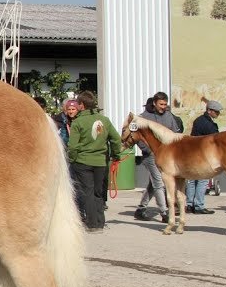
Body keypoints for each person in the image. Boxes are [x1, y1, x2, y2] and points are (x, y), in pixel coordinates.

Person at [67, 90, 122, 233]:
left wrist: (72, 159)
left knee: (87, 192)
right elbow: (116, 139)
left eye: (78, 104)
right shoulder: (104, 120)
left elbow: (72, 146)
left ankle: (92, 224)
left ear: (82, 105)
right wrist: (116, 155)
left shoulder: (78, 122)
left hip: (83, 162)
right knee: (99, 192)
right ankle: (100, 222)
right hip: (101, 162)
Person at [133, 91, 181, 223]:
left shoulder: (169, 116)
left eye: (165, 104)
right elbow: (137, 137)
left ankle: (141, 209)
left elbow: (175, 134)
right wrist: (147, 150)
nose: (163, 107)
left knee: (153, 184)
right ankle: (164, 212)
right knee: (159, 183)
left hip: (167, 156)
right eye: (161, 104)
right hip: (151, 156)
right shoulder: (143, 118)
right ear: (154, 103)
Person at [185, 99, 222, 214]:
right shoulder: (208, 124)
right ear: (209, 111)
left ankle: (189, 204)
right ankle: (199, 205)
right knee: (202, 180)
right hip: (202, 155)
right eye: (216, 112)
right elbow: (216, 137)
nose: (218, 114)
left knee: (192, 180)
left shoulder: (198, 120)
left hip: (192, 153)